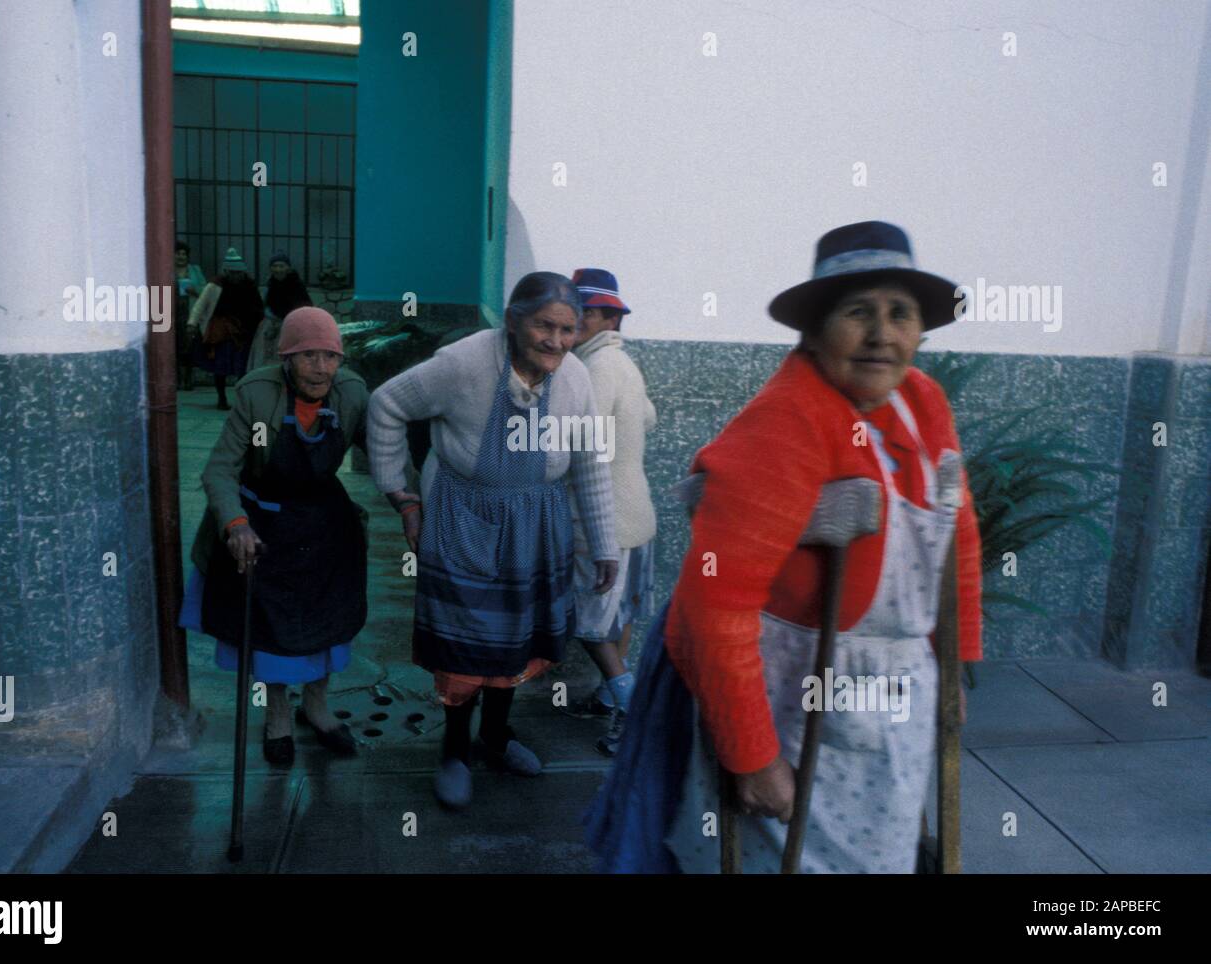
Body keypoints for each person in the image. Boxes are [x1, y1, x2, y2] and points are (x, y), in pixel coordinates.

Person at [587, 221, 983, 873]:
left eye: (900, 314)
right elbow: (717, 603)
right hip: (781, 692)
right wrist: (752, 755)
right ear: (816, 328)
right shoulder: (784, 421)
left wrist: (956, 660)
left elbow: (957, 535)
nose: (883, 334)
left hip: (889, 696)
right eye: (858, 312)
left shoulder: (922, 401)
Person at [367, 271, 619, 810]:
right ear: (512, 320)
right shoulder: (463, 363)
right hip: (465, 516)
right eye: (543, 325)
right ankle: (455, 750)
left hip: (537, 522)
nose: (555, 340)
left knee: (517, 642)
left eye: (567, 329)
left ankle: (497, 736)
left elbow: (591, 463)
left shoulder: (575, 379)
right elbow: (386, 404)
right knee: (465, 643)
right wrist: (403, 498)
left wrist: (603, 544)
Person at [179, 306, 370, 766]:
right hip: (262, 520)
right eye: (308, 356)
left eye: (330, 356)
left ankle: (318, 706)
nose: (321, 367)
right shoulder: (257, 394)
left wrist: (410, 496)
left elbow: (383, 446)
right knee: (269, 630)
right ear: (286, 358)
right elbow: (220, 469)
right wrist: (235, 523)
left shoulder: (352, 393)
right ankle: (278, 713)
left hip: (324, 521)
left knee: (330, 619)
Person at [560, 268, 657, 757]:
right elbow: (648, 417)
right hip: (637, 513)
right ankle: (605, 696)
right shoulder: (624, 364)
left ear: (601, 318)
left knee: (590, 623)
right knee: (619, 615)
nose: (570, 324)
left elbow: (581, 443)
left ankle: (630, 707)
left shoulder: (592, 370)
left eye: (580, 314)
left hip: (604, 520)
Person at [187, 247, 264, 409]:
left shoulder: (249, 286)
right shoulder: (215, 285)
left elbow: (258, 307)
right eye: (232, 272)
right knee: (220, 366)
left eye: (239, 272)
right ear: (226, 271)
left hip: (244, 331)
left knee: (243, 367)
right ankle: (221, 398)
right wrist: (192, 324)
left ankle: (242, 400)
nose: (236, 276)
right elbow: (200, 305)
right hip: (221, 331)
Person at [249, 251, 313, 373]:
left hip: (291, 326)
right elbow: (266, 303)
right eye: (275, 266)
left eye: (281, 266)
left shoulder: (296, 285)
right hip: (271, 325)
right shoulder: (271, 283)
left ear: (288, 267)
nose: (278, 269)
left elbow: (304, 306)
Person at [174, 241, 206, 390]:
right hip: (173, 312)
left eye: (184, 254)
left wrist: (195, 291)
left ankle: (188, 379)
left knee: (189, 345)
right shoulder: (167, 269)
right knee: (175, 345)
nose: (181, 257)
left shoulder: (194, 270)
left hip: (190, 311)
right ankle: (178, 379)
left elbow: (205, 291)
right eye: (178, 253)